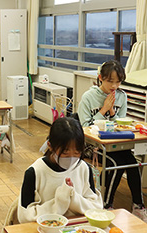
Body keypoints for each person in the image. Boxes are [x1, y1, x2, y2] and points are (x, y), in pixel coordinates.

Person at [78, 60, 147, 222]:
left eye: (118, 82)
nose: (114, 86)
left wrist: (112, 111)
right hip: (92, 145)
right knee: (115, 164)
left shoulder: (121, 96)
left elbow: (120, 124)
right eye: (110, 81)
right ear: (100, 78)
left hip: (114, 143)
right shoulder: (89, 96)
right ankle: (106, 205)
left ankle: (138, 206)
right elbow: (83, 128)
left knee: (132, 163)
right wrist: (102, 111)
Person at [17, 117, 103, 223]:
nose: (71, 159)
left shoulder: (84, 168)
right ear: (50, 146)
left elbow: (96, 208)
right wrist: (61, 200)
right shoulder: (35, 172)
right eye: (65, 153)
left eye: (77, 153)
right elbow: (25, 217)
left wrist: (72, 197)